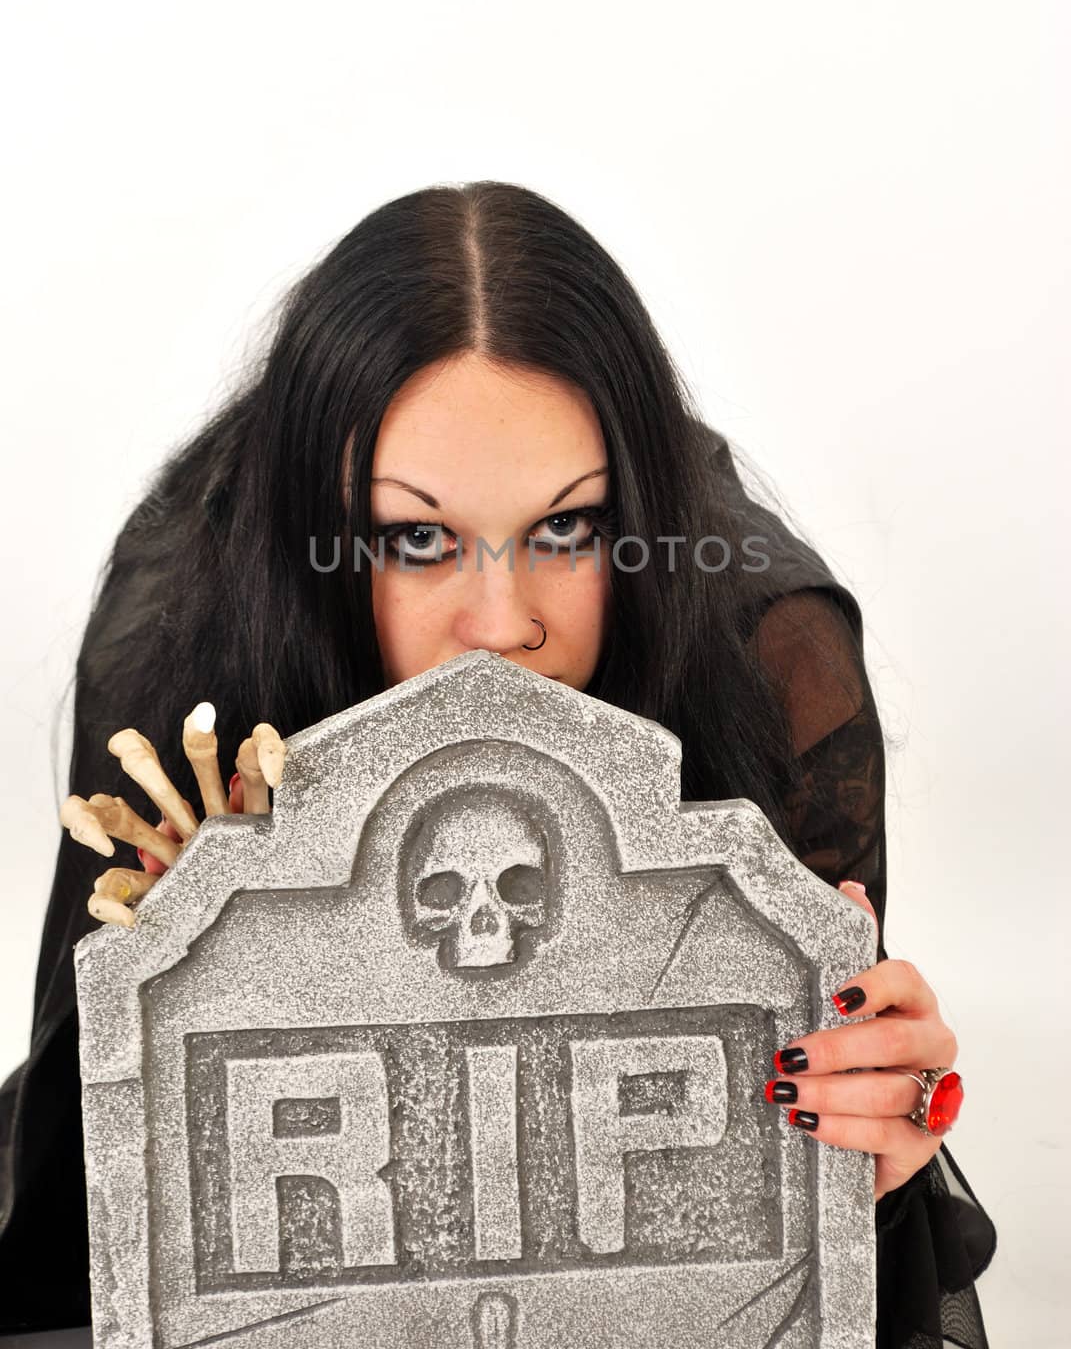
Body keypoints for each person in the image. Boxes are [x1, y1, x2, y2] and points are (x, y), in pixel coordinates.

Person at [0, 181, 995, 1344]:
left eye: (566, 530)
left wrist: (861, 1159)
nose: (502, 624)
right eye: (417, 539)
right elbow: (87, 1220)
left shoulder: (774, 656)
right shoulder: (199, 635)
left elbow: (779, 1237)